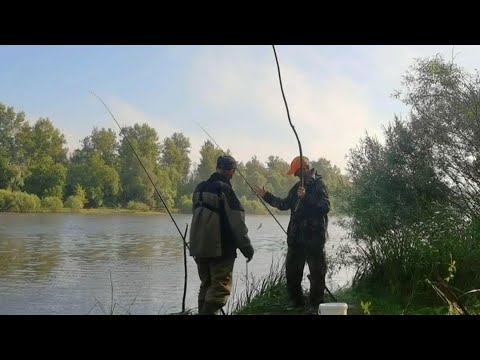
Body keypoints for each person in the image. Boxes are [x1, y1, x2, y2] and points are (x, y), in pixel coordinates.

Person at [253, 156, 330, 313]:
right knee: (292, 272)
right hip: (296, 239)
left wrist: (306, 198)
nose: (296, 176)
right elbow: (283, 204)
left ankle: (315, 305)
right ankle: (297, 302)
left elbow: (325, 206)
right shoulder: (296, 188)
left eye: (297, 173)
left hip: (314, 238)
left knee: (316, 272)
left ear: (304, 169)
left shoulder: (319, 185)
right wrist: (266, 195)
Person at [189, 155, 254, 315]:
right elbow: (237, 222)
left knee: (206, 284)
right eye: (234, 171)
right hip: (221, 249)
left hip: (199, 247)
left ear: (217, 167)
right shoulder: (225, 190)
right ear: (231, 171)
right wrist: (247, 248)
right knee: (219, 289)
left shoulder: (199, 188)